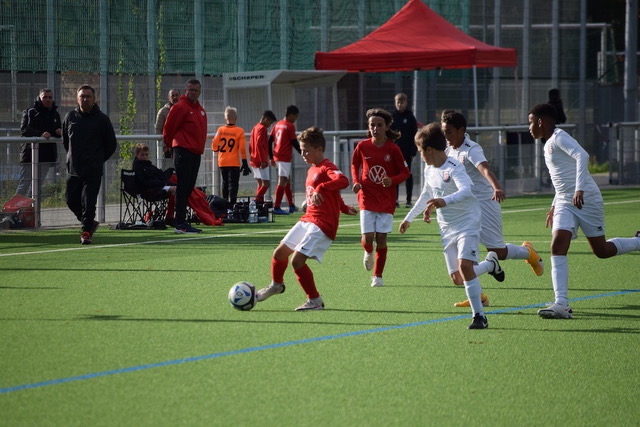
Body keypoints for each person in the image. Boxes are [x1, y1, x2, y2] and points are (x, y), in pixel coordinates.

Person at [528, 104, 640, 319]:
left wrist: (579, 189)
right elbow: (562, 178)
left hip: (586, 199)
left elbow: (582, 155)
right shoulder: (548, 143)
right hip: (564, 201)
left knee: (602, 251)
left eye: (530, 122)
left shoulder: (559, 137)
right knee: (557, 245)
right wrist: (554, 204)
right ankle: (561, 304)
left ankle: (638, 242)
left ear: (540, 122)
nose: (529, 127)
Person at [399, 123, 506, 329]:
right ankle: (490, 265)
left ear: (429, 150)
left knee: (465, 267)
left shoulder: (453, 166)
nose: (420, 155)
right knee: (457, 278)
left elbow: (467, 189)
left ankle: (479, 317)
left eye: (420, 151)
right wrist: (409, 218)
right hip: (447, 228)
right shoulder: (429, 169)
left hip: (468, 223)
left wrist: (444, 201)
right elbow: (426, 194)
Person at [441, 110, 544, 308]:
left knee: (498, 251)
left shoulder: (471, 149)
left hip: (484, 202)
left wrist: (496, 187)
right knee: (462, 256)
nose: (446, 136)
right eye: (444, 132)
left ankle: (528, 252)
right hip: (463, 208)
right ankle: (478, 296)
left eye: (449, 132)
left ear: (461, 130)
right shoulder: (448, 149)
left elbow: (485, 169)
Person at [255, 126, 356, 310]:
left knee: (296, 261)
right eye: (301, 150)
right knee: (279, 253)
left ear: (319, 149)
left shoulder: (327, 167)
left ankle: (315, 300)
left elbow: (343, 181)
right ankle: (276, 285)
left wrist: (321, 188)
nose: (302, 154)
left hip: (322, 224)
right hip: (308, 219)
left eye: (306, 150)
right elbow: (333, 195)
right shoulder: (312, 169)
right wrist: (343, 207)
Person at [351, 108, 411, 287]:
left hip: (386, 199)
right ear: (368, 127)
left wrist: (392, 180)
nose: (375, 128)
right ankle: (368, 251)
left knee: (382, 239)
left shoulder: (393, 149)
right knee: (368, 238)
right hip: (366, 197)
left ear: (386, 127)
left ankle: (377, 276)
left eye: (379, 125)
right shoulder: (362, 146)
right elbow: (354, 164)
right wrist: (356, 181)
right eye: (372, 125)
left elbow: (405, 172)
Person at [62, 84, 117, 245]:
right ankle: (90, 223)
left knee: (89, 202)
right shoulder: (70, 117)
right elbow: (66, 141)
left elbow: (111, 145)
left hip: (92, 169)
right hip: (73, 169)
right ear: (77, 99)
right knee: (70, 200)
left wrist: (98, 159)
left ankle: (86, 232)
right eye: (82, 96)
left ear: (94, 99)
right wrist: (73, 158)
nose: (85, 99)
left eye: (88, 96)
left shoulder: (102, 119)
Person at [163, 79, 207, 234]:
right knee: (182, 187)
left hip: (195, 152)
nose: (193, 92)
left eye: (196, 90)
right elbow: (168, 129)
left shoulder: (200, 109)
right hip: (183, 150)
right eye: (190, 90)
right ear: (185, 90)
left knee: (188, 187)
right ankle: (180, 222)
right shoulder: (180, 107)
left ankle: (180, 220)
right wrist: (170, 146)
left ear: (199, 92)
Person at [17, 88, 61, 197]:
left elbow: (56, 130)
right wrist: (40, 133)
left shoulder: (55, 114)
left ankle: (31, 207)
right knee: (24, 184)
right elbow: (24, 129)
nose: (48, 99)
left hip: (46, 155)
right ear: (39, 98)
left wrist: (59, 132)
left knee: (37, 186)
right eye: (45, 97)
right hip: (30, 154)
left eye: (50, 97)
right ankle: (13, 207)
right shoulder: (31, 112)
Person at [211, 106, 249, 206]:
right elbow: (242, 148)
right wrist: (244, 161)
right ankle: (232, 205)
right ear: (236, 118)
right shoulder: (239, 131)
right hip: (234, 161)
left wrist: (216, 149)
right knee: (233, 184)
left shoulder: (220, 130)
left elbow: (214, 144)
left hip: (222, 161)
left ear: (225, 118)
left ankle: (225, 204)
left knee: (225, 183)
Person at [132, 143, 176, 223]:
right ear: (137, 155)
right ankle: (170, 215)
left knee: (177, 180)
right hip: (150, 190)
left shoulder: (149, 165)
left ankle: (170, 213)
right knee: (176, 190)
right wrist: (161, 183)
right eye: (142, 155)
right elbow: (144, 183)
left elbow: (160, 174)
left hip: (158, 186)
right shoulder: (138, 167)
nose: (145, 157)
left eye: (146, 155)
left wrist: (164, 180)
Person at [270, 105, 300, 214]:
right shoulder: (289, 126)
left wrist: (271, 156)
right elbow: (294, 142)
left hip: (277, 155)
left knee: (287, 180)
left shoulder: (277, 124)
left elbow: (270, 140)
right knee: (282, 180)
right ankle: (276, 207)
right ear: (291, 115)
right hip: (284, 156)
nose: (295, 119)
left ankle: (291, 205)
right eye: (295, 117)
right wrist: (303, 152)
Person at [391, 93, 418, 208]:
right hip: (394, 152)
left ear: (406, 103)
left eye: (402, 102)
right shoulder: (392, 117)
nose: (400, 105)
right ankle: (395, 200)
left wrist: (413, 151)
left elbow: (414, 135)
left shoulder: (410, 117)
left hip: (407, 152)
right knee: (395, 175)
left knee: (408, 174)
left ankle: (408, 200)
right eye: (398, 102)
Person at [249, 110, 277, 203]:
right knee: (266, 184)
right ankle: (256, 200)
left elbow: (251, 145)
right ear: (266, 119)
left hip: (254, 159)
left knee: (260, 183)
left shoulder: (255, 127)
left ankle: (259, 204)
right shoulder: (263, 128)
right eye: (270, 122)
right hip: (261, 160)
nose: (270, 124)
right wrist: (262, 160)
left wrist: (252, 155)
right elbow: (259, 144)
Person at [155, 88, 180, 159]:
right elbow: (158, 129)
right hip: (168, 147)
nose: (175, 97)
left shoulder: (184, 109)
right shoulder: (163, 111)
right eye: (172, 95)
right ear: (169, 98)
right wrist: (164, 146)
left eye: (176, 95)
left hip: (181, 146)